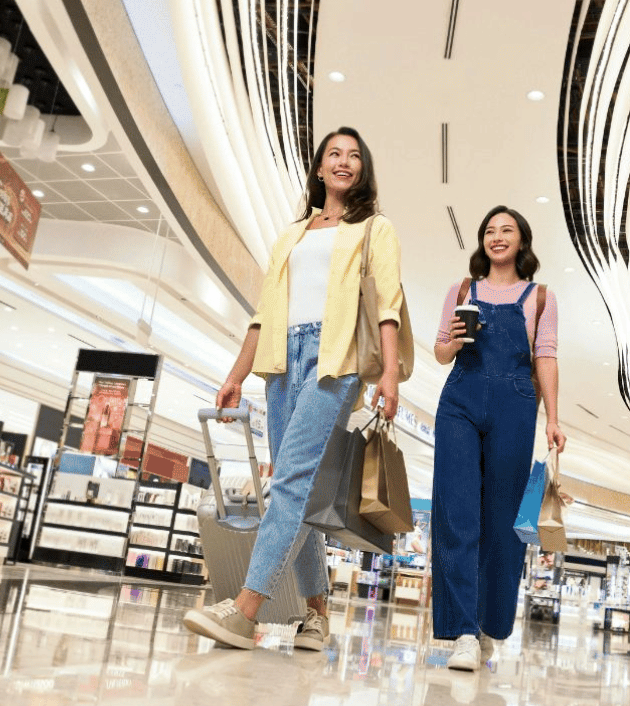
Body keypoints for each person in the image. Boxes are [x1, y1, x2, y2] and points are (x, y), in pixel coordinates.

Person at [184, 127, 406, 651]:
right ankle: (315, 614)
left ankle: (246, 609)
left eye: (354, 155)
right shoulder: (292, 235)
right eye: (334, 154)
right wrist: (237, 374)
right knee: (292, 483)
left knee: (289, 484)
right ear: (319, 167)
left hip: (336, 362)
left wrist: (390, 373)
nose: (344, 161)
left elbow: (388, 306)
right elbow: (264, 313)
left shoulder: (376, 229)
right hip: (283, 362)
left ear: (363, 169)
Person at [431, 206, 564, 672]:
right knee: (457, 513)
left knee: (503, 522)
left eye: (507, 230)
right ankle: (462, 631)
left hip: (515, 402)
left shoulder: (540, 298)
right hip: (460, 401)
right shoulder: (461, 290)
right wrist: (456, 341)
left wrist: (553, 417)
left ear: (522, 242)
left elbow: (544, 356)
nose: (497, 236)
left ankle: (489, 623)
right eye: (489, 230)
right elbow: (440, 351)